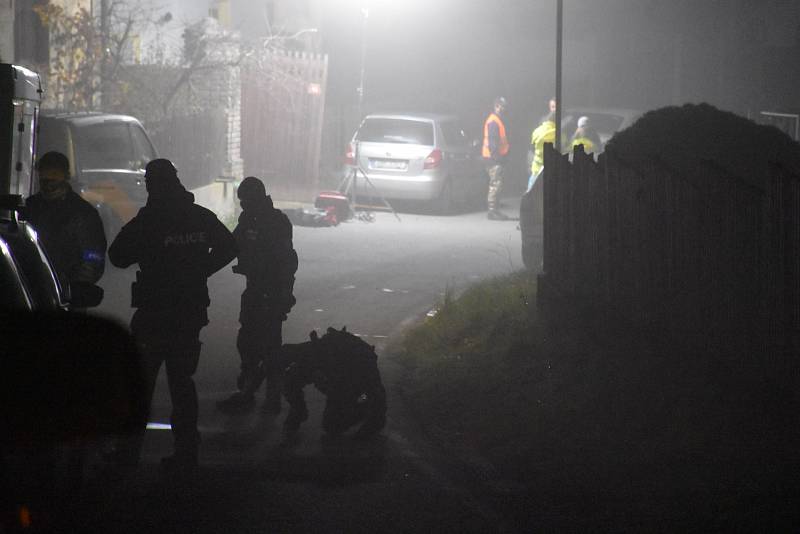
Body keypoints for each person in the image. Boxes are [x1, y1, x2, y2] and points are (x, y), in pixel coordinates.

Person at [107, 158, 236, 475]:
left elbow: (118, 255)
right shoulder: (198, 217)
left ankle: (127, 454)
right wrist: (200, 270)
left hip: (154, 314)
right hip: (189, 314)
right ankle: (187, 452)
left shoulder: (149, 221)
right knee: (182, 384)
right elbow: (229, 246)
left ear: (152, 185)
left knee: (140, 385)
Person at [216, 176, 298, 415]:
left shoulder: (277, 222)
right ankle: (248, 388)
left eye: (246, 200)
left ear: (256, 198)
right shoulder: (248, 219)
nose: (243, 205)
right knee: (247, 341)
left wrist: (284, 294)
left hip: (272, 291)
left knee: (271, 348)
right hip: (254, 290)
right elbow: (232, 244)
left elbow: (286, 261)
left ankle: (272, 399)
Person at [281, 327, 386, 440]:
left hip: (359, 393)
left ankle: (362, 411)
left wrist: (358, 401)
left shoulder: (356, 360)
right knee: (332, 423)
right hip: (344, 383)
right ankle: (300, 412)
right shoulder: (314, 354)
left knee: (332, 425)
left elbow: (371, 392)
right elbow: (291, 380)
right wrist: (298, 409)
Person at [25, 151, 107, 290]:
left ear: (66, 176)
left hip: (68, 292)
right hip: (31, 287)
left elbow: (93, 254)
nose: (49, 184)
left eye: (54, 176)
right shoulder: (29, 208)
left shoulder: (83, 213)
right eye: (45, 178)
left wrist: (77, 285)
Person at [482, 96, 511, 220]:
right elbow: (493, 141)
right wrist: (497, 157)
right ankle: (492, 211)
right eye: (499, 106)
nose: (501, 108)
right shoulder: (494, 121)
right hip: (493, 158)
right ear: (495, 106)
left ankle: (495, 210)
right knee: (495, 184)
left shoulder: (497, 120)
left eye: (503, 106)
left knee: (497, 184)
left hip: (494, 157)